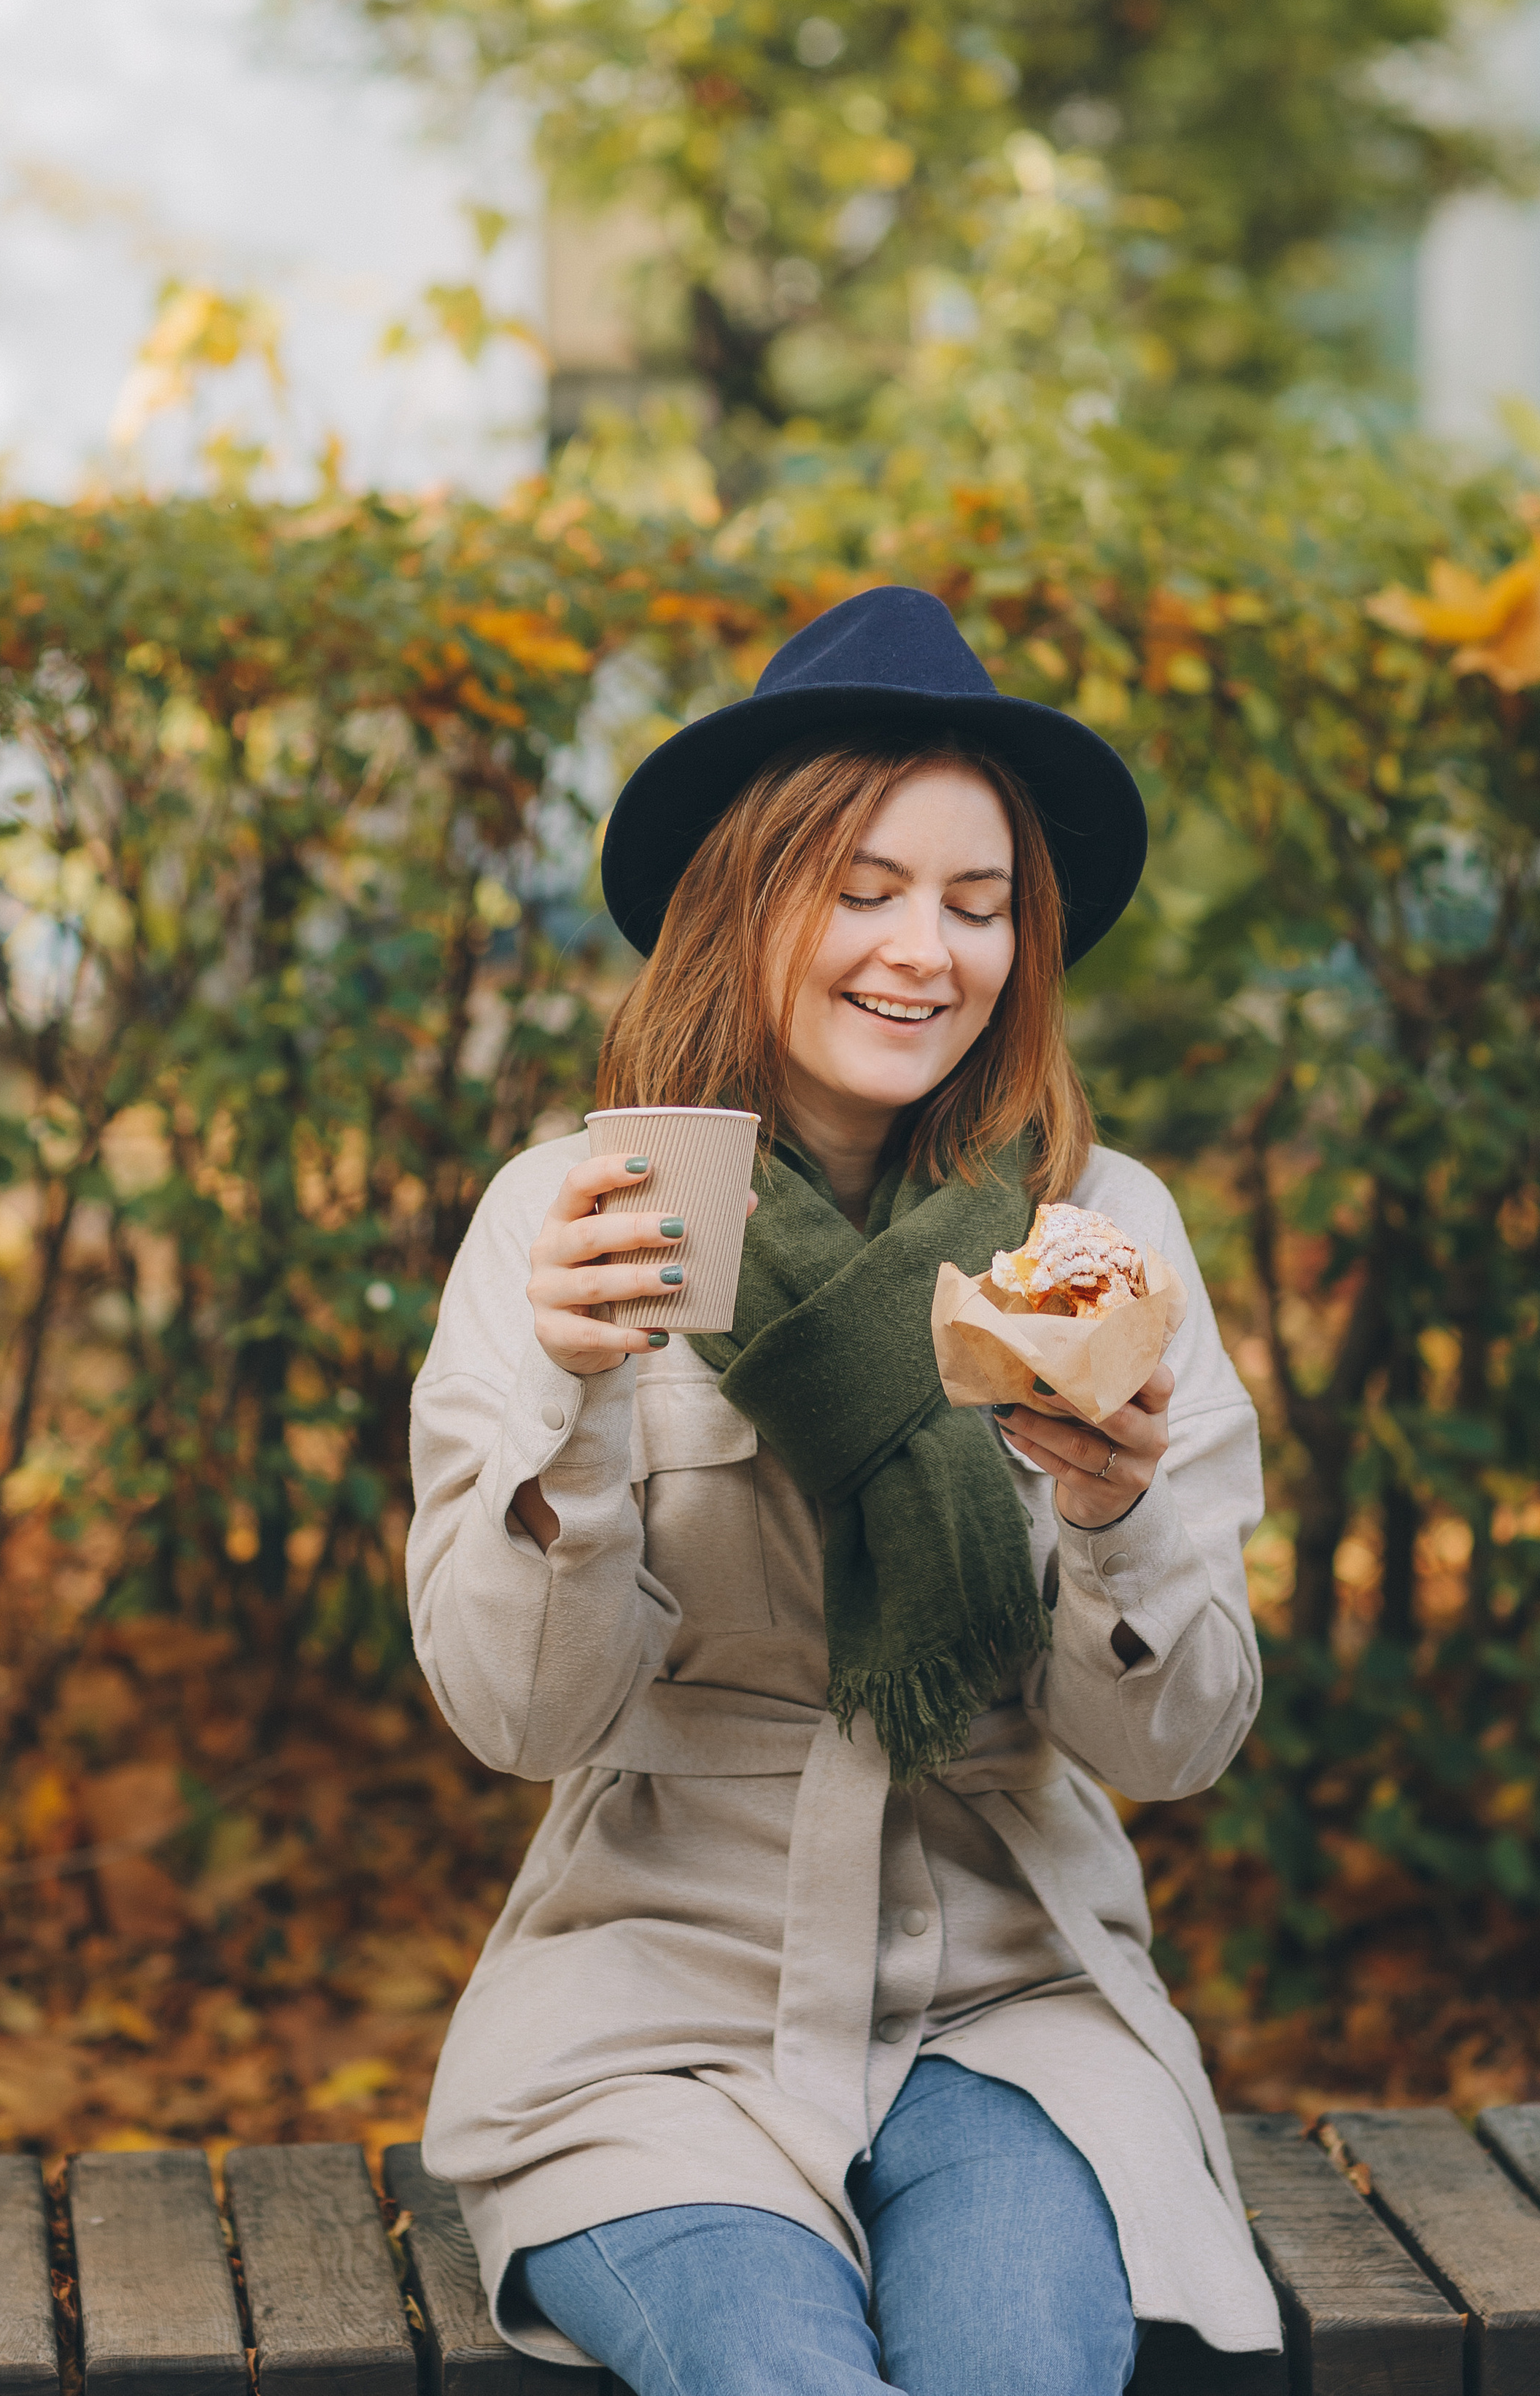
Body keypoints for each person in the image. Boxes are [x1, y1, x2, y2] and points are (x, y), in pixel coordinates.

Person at [408, 588, 1282, 2395]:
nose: (925, 953)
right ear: (747, 901)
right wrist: (568, 1407)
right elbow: (518, 1716)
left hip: (1010, 2012)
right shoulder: (575, 1220)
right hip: (651, 2022)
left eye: (979, 907)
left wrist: (1119, 1520)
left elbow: (1173, 1750)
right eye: (864, 888)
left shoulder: (1092, 1234)